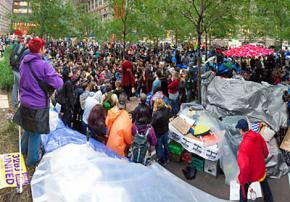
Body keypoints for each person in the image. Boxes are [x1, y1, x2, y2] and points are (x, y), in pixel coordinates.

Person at [16, 37, 63, 166]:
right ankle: (32, 160)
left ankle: (23, 151)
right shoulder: (44, 65)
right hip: (38, 105)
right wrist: (56, 76)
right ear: (41, 49)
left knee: (28, 128)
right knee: (35, 133)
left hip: (25, 102)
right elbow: (58, 84)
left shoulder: (23, 62)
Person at [235, 119, 273, 202]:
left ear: (241, 130)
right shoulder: (258, 136)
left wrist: (241, 178)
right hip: (260, 170)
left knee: (243, 191)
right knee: (265, 187)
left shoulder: (243, 146)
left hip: (250, 175)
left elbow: (244, 166)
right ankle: (269, 200)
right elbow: (265, 151)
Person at [10, 38, 30, 107]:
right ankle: (21, 104)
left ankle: (14, 103)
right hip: (19, 70)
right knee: (22, 88)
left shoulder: (20, 46)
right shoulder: (27, 50)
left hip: (15, 68)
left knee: (15, 86)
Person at [151, 98, 171, 165]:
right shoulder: (167, 109)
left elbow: (153, 124)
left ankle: (162, 161)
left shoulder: (155, 114)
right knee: (166, 145)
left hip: (158, 133)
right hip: (165, 130)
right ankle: (167, 158)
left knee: (159, 147)